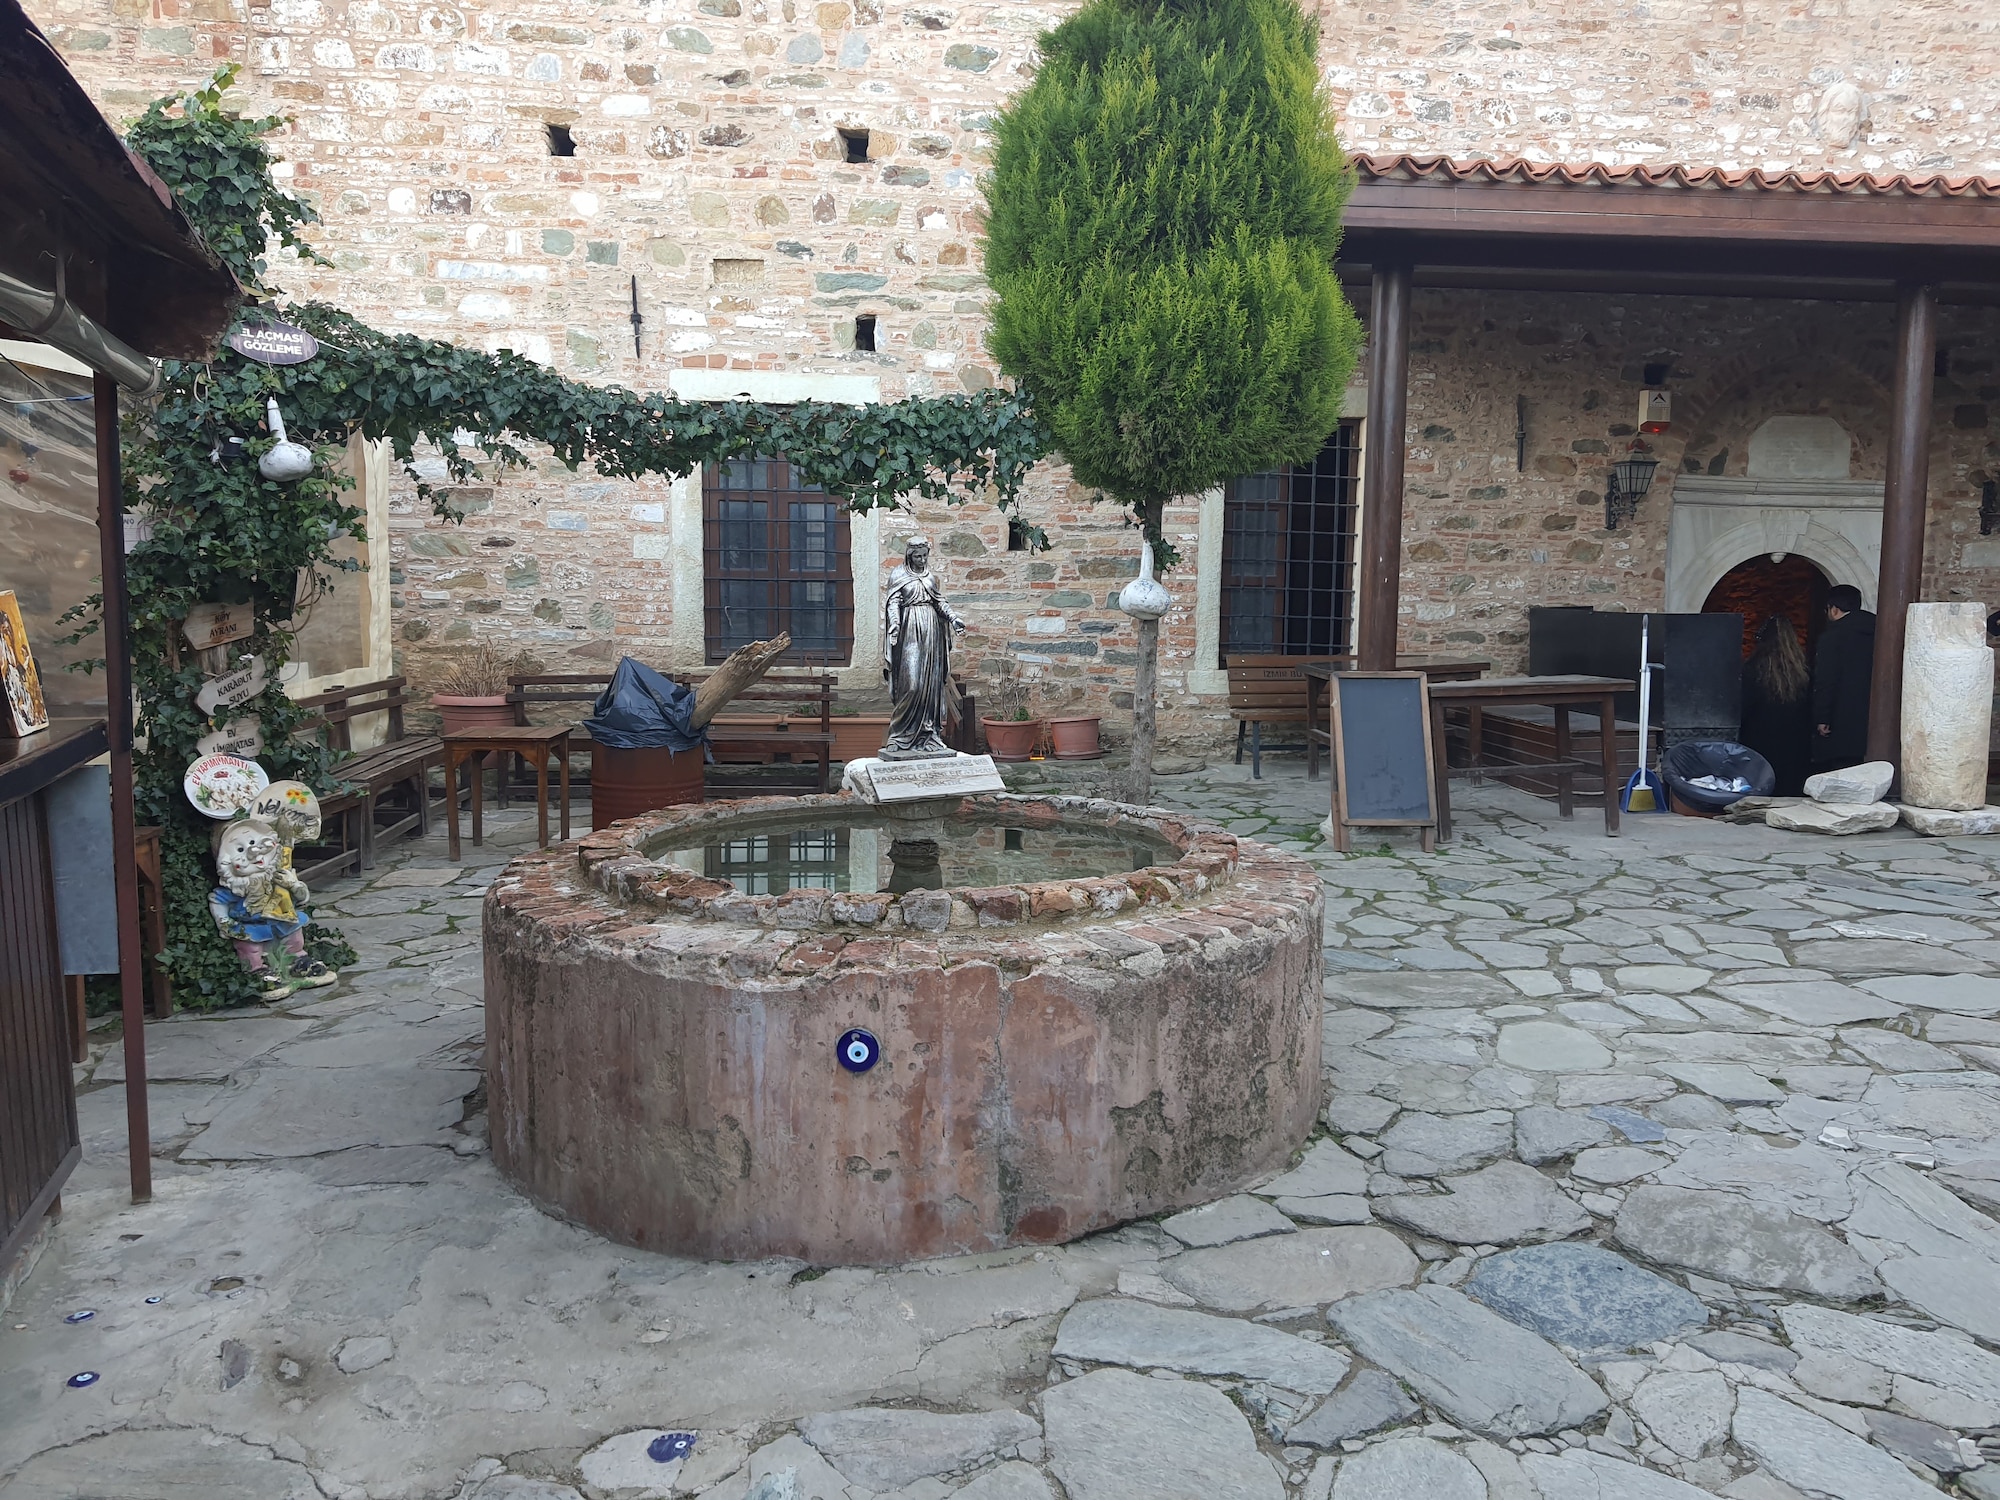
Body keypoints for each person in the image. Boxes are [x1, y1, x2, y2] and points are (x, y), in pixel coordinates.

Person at [881, 535, 966, 758]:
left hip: (931, 633)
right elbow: (893, 602)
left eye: (924, 556)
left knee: (931, 686)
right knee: (912, 684)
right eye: (917, 556)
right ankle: (898, 736)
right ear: (909, 555)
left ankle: (929, 735)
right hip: (909, 630)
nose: (921, 560)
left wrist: (954, 618)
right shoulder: (898, 575)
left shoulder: (930, 577)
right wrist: (895, 625)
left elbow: (939, 601)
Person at [1739, 614, 1813, 795]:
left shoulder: (1754, 669)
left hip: (1759, 737)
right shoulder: (1803, 672)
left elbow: (1744, 705)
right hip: (1795, 739)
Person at [1811, 583, 1876, 770]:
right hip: (1874, 715)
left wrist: (1823, 717)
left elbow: (1827, 679)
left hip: (1842, 715)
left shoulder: (1833, 637)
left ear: (1834, 609)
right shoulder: (1880, 629)